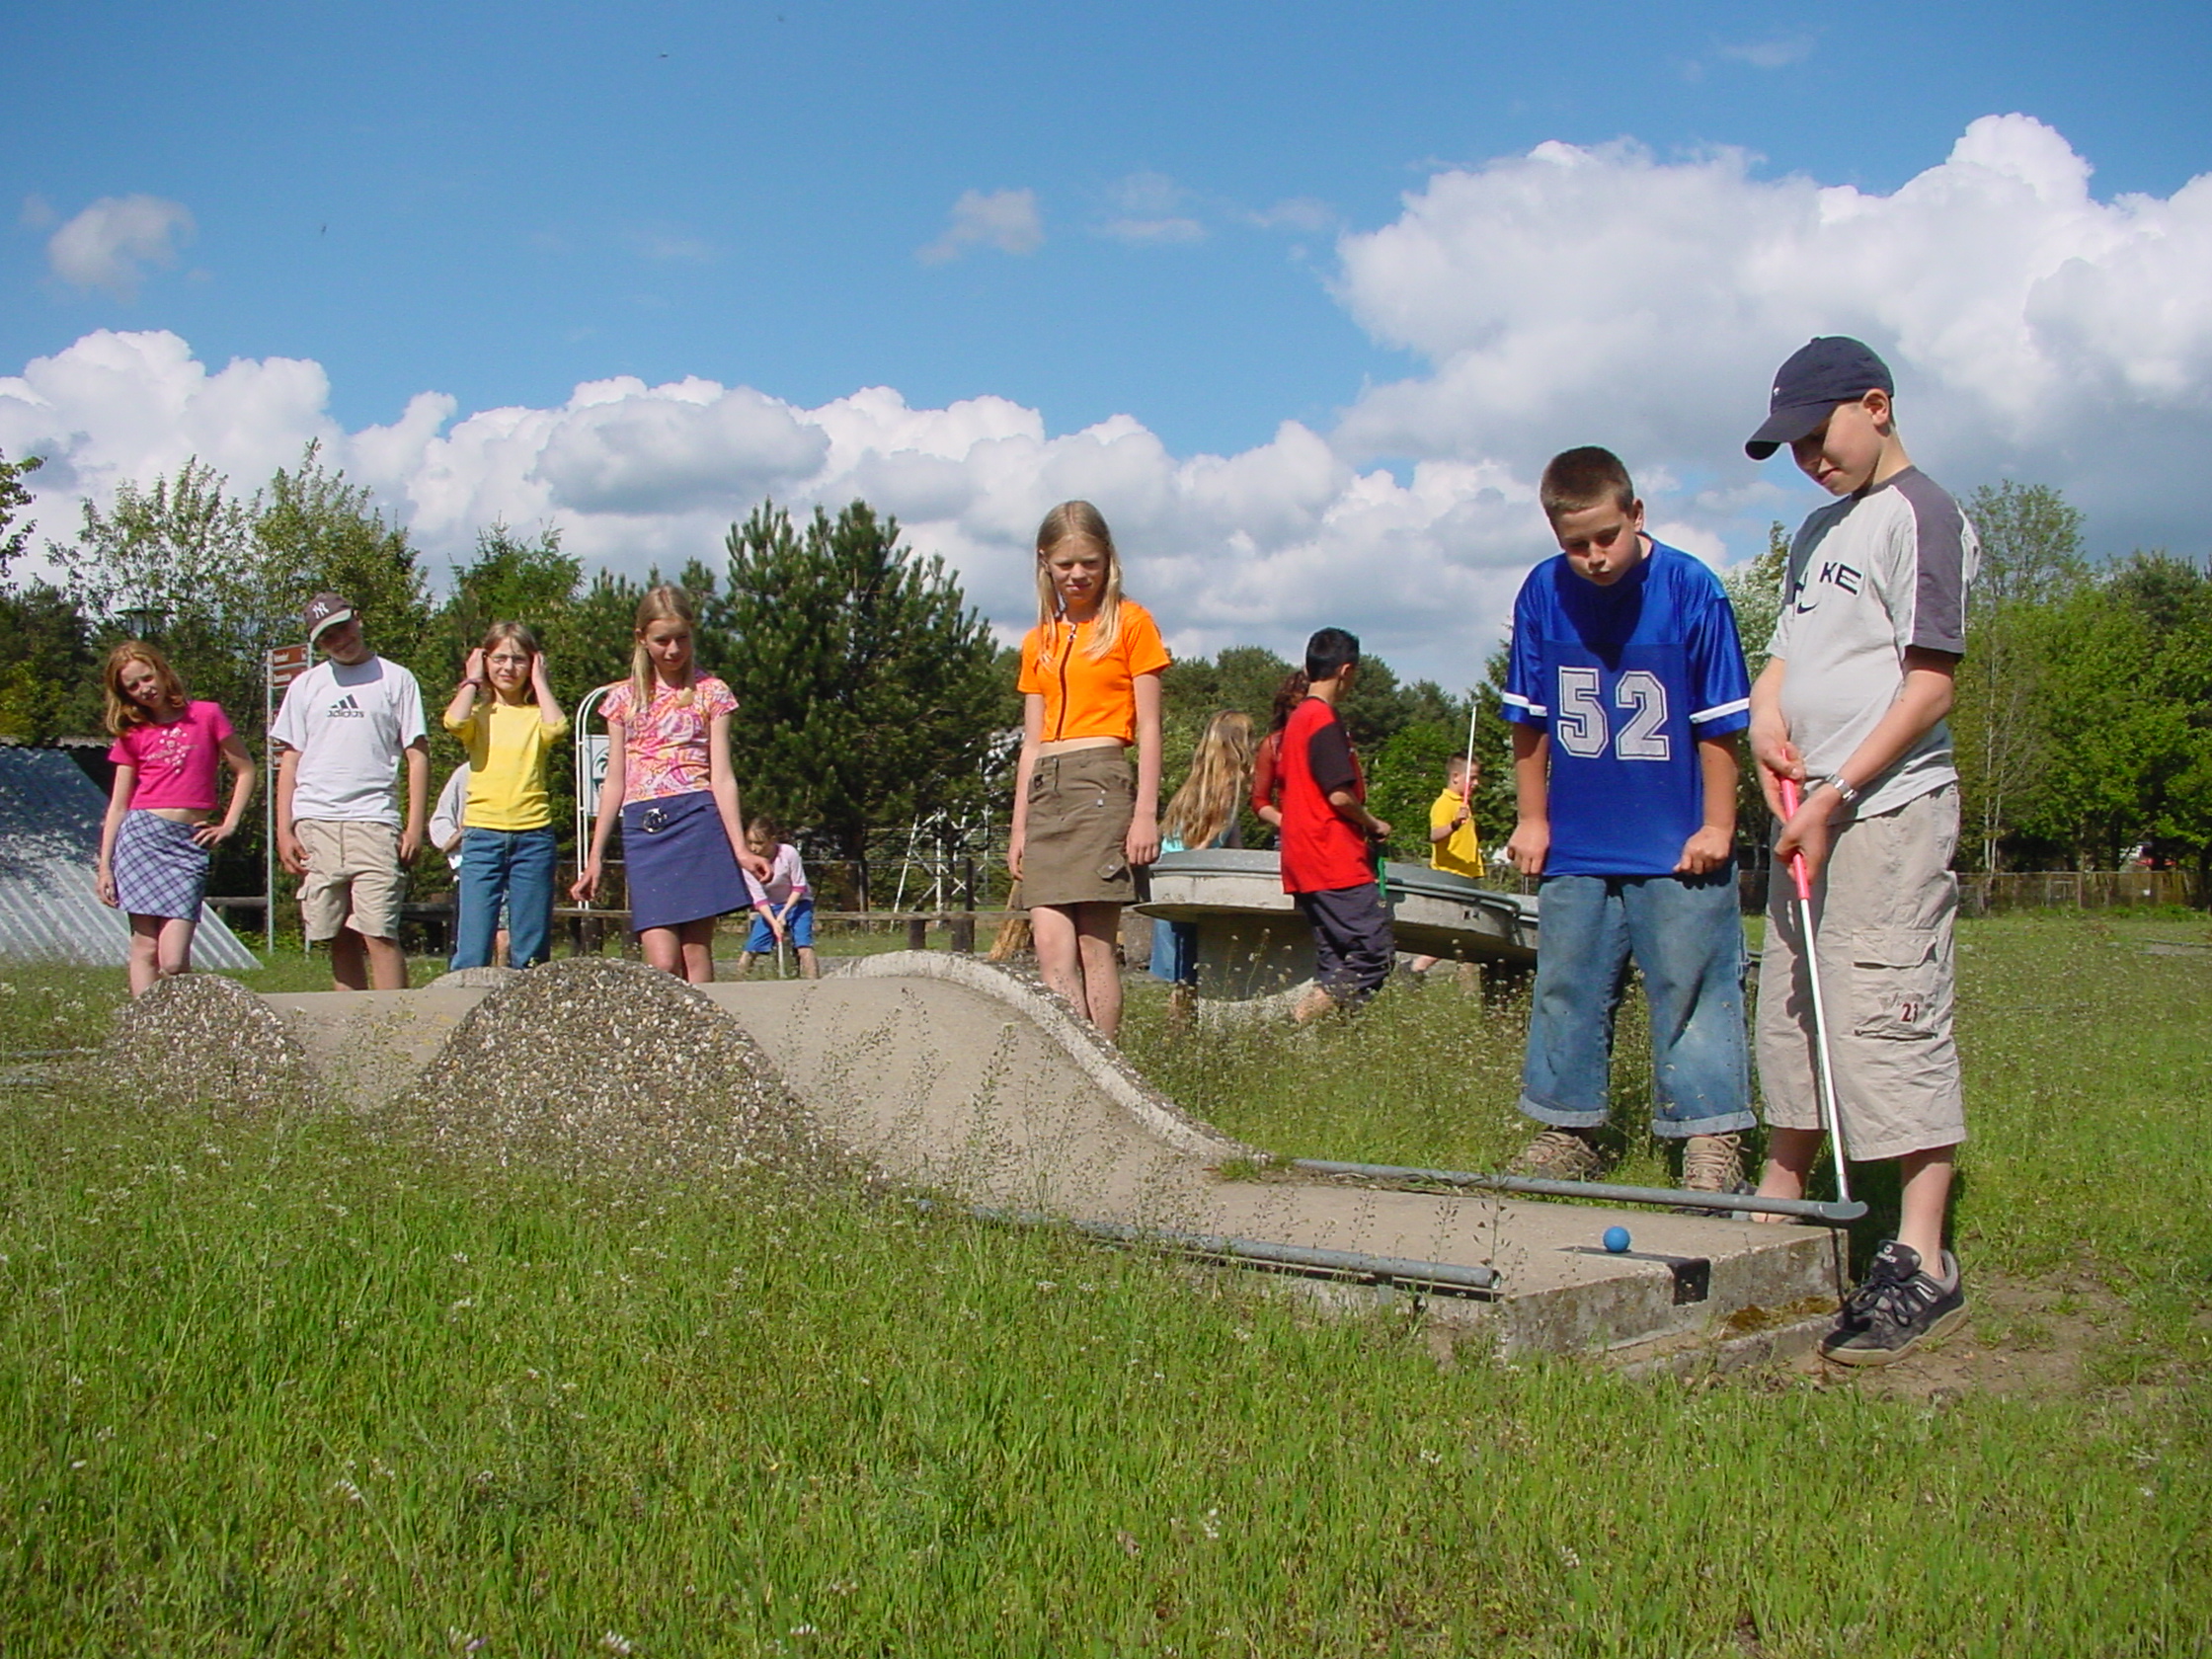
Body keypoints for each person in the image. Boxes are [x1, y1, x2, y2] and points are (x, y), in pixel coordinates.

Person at [1744, 336, 1980, 1365]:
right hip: (1808, 815)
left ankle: (1920, 1256)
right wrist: (1763, 723)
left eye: (1816, 434)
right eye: (1789, 444)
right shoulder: (1812, 530)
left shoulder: (1920, 516)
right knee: (1793, 1009)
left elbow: (1928, 681)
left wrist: (1838, 792)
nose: (1806, 456)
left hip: (1882, 810)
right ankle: (1777, 1201)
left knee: (1887, 1010)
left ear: (1874, 405)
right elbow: (1786, 656)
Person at [1501, 447, 1756, 1192]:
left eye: (1606, 537)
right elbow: (1529, 720)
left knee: (1693, 987)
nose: (1594, 558)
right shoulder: (1543, 593)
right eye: (1575, 545)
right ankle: (1566, 1128)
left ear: (1636, 514)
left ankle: (1708, 1139)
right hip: (1578, 838)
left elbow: (1719, 724)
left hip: (1676, 841)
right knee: (1567, 986)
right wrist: (1532, 818)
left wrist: (1716, 825)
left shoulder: (1691, 590)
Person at [1007, 500, 1169, 1042]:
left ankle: (1109, 1071)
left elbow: (1149, 728)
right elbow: (1030, 741)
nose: (1078, 575)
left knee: (1094, 949)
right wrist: (1019, 828)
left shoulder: (1132, 624)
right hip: (1046, 790)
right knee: (1051, 949)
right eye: (1065, 564)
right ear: (1045, 564)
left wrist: (1145, 813)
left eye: (1090, 563)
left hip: (1102, 784)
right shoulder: (1039, 641)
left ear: (1108, 561)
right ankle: (1075, 1069)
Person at [572, 585, 770, 984]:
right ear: (642, 639)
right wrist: (594, 857)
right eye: (662, 640)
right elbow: (614, 780)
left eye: (682, 638)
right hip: (644, 827)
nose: (673, 650)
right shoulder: (621, 699)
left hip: (697, 818)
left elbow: (723, 776)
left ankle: (708, 1041)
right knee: (662, 961)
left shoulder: (711, 692)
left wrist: (740, 850)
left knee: (695, 957)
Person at [273, 593, 428, 991]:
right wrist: (284, 831)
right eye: (328, 637)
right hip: (316, 822)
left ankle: (396, 1025)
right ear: (318, 644)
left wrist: (414, 827)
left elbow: (416, 755)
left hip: (374, 820)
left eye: (344, 628)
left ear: (357, 619)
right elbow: (289, 760)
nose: (340, 640)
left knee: (378, 929)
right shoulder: (306, 685)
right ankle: (353, 1025)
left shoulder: (396, 678)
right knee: (334, 931)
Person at [94, 642, 256, 995]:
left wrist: (229, 824)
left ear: (162, 672)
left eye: (147, 678)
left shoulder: (207, 715)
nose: (145, 689)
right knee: (145, 948)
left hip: (188, 843)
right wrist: (105, 866)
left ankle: (184, 1023)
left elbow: (245, 769)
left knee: (173, 960)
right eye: (133, 686)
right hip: (140, 838)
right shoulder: (132, 734)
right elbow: (118, 805)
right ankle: (146, 1034)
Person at [1278, 629, 1393, 1022]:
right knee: (1372, 954)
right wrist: (1373, 822)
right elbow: (1339, 795)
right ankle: (1299, 1021)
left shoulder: (1295, 721)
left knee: (1335, 959)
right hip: (1333, 855)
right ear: (1346, 670)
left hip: (1301, 857)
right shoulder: (1322, 718)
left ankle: (1320, 1045)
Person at [443, 622, 567, 971]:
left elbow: (557, 727)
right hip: (482, 835)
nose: (508, 668)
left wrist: (540, 682)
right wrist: (472, 679)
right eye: (498, 658)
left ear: (532, 663)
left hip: (533, 835)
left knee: (530, 945)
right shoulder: (479, 715)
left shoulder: (536, 716)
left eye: (518, 659)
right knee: (474, 940)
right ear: (484, 661)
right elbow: (453, 722)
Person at [1149, 710, 1255, 1014]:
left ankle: (1183, 1026)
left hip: (1169, 872)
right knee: (1186, 968)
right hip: (1183, 875)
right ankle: (1179, 1030)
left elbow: (1232, 836)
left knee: (1187, 967)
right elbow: (1205, 842)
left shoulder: (1209, 781)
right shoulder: (1226, 787)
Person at [429, 760, 510, 968]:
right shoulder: (466, 773)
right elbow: (440, 821)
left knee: (506, 939)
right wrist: (462, 836)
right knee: (472, 939)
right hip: (471, 870)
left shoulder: (520, 768)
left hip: (512, 868)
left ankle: (507, 985)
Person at [1410, 752, 1483, 975]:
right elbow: (1434, 835)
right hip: (1451, 875)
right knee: (1460, 933)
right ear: (1455, 777)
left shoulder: (1464, 805)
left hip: (1467, 875)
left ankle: (1419, 968)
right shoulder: (1444, 804)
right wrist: (1454, 824)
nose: (1476, 783)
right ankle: (1416, 967)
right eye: (1472, 778)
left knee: (1468, 934)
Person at [739, 817, 818, 979]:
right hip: (770, 907)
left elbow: (799, 886)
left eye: (759, 843)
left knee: (803, 946)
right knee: (751, 950)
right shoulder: (748, 864)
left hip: (798, 903)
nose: (754, 848)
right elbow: (759, 899)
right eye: (750, 842)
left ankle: (814, 983)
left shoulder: (788, 853)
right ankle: (738, 982)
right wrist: (774, 922)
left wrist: (783, 915)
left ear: (772, 840)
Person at [1248, 669, 1308, 836]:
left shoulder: (1334, 741)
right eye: (1292, 708)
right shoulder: (1273, 745)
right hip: (1290, 836)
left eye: (1303, 708)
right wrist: (1283, 821)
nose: (1297, 715)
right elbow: (1259, 800)